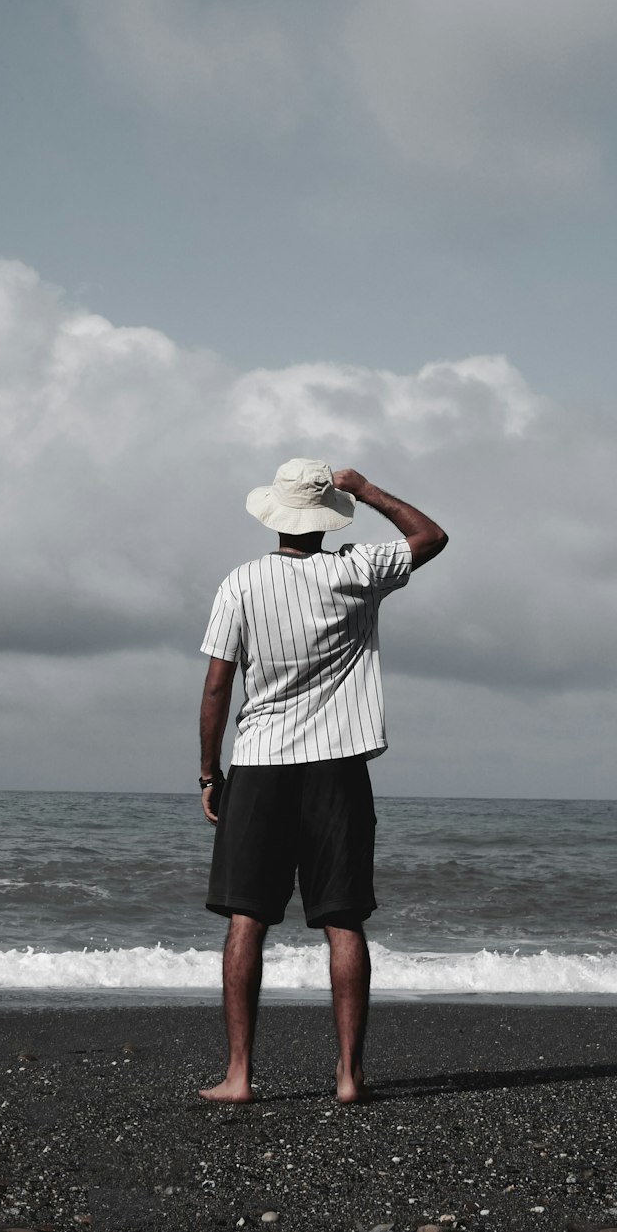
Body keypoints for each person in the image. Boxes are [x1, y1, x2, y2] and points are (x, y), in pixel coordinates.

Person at [197, 457, 447, 1103]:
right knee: (343, 921)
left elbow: (219, 685)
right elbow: (430, 536)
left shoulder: (242, 583)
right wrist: (366, 489)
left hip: (261, 762)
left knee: (248, 920)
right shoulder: (355, 570)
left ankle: (241, 1074)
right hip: (338, 766)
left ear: (276, 513)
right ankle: (348, 1075)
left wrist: (208, 770)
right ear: (328, 515)